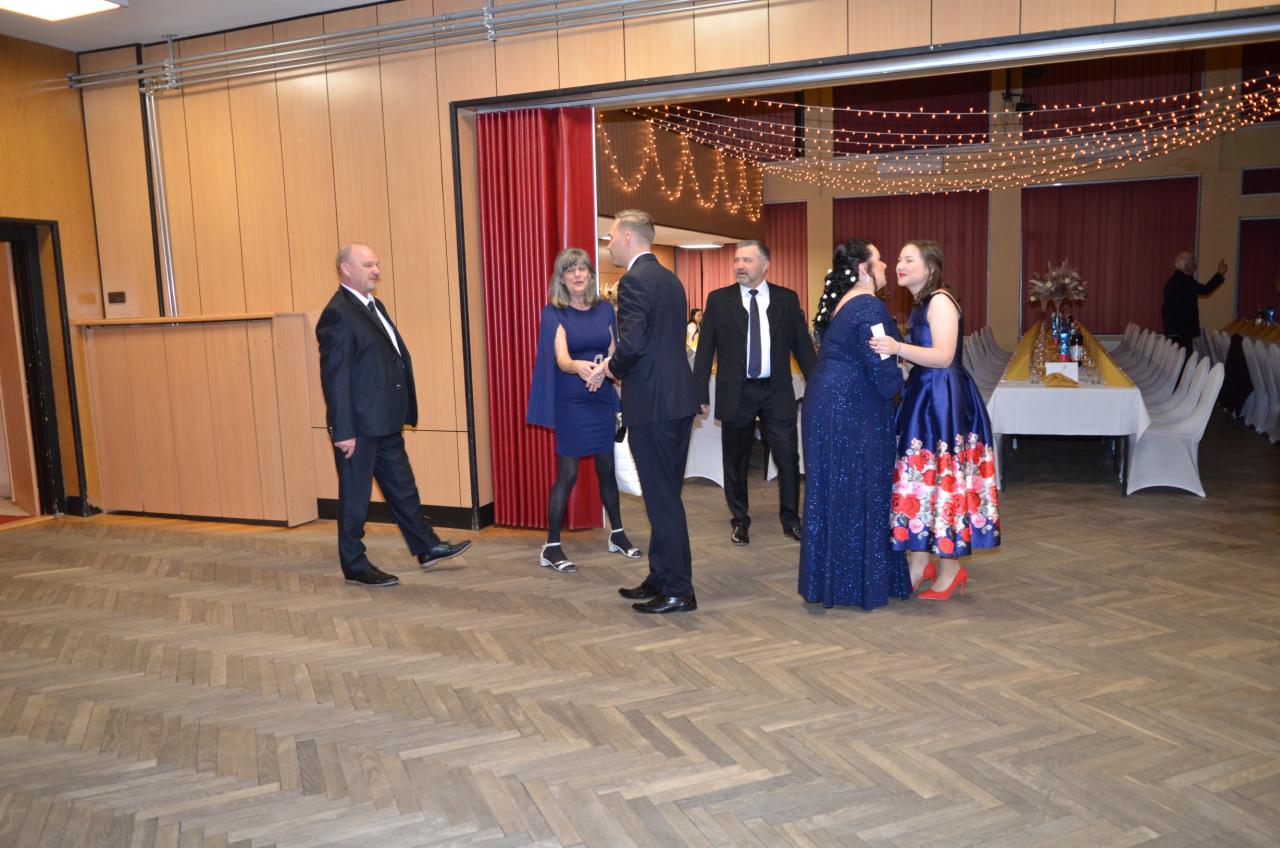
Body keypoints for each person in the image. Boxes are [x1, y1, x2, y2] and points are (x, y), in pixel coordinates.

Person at [316, 243, 471, 586]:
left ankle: (426, 546)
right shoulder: (338, 313)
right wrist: (343, 430)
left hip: (385, 420)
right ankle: (355, 564)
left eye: (376, 264)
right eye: (367, 265)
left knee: (402, 487)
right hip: (359, 426)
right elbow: (335, 377)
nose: (376, 270)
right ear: (345, 269)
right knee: (355, 498)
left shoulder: (373, 305)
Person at [868, 240, 999, 600]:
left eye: (908, 259)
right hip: (924, 395)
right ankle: (919, 563)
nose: (899, 264)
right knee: (919, 480)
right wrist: (901, 365)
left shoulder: (940, 300)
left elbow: (943, 357)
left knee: (944, 479)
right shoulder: (921, 304)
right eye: (898, 259)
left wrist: (897, 348)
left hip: (943, 401)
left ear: (930, 267)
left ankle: (951, 569)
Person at [599, 210, 700, 614]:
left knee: (662, 501)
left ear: (628, 237)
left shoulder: (635, 280)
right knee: (665, 495)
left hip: (653, 404)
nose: (609, 245)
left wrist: (610, 369)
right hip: (676, 401)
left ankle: (679, 590)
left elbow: (634, 345)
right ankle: (660, 577)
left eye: (610, 237)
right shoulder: (669, 279)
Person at [798, 241, 909, 609]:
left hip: (828, 404)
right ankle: (854, 585)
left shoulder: (844, 303)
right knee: (861, 489)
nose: (886, 267)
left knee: (833, 491)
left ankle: (832, 582)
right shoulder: (869, 306)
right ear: (863, 269)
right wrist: (902, 376)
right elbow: (883, 372)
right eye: (879, 261)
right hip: (851, 410)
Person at [692, 240, 816, 544]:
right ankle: (740, 520)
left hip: (777, 391)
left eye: (747, 260)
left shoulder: (787, 299)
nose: (740, 266)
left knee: (788, 456)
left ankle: (791, 519)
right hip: (737, 391)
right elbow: (705, 350)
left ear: (765, 264)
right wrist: (699, 393)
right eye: (737, 260)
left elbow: (803, 348)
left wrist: (819, 387)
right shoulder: (719, 300)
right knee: (735, 460)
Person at [526, 248, 640, 574]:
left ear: (590, 274)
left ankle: (617, 534)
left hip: (601, 398)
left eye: (582, 269)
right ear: (561, 278)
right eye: (570, 270)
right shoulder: (554, 313)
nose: (577, 275)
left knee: (606, 469)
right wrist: (579, 366)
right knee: (568, 474)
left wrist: (605, 372)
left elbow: (614, 352)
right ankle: (551, 546)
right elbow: (562, 359)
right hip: (571, 403)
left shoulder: (605, 309)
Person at [1162, 252, 1227, 355]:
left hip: (1174, 329)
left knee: (1177, 359)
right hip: (1182, 330)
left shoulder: (1174, 279)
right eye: (1193, 263)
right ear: (1186, 265)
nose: (1196, 266)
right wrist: (1219, 274)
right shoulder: (1185, 280)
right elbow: (1205, 290)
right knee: (1184, 359)